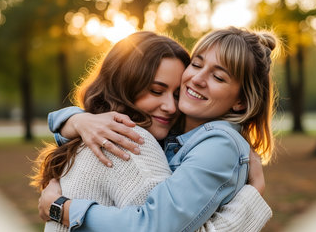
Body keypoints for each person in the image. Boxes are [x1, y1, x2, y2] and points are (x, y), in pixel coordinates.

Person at [39, 26, 277, 231]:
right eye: (196, 64)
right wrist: (76, 121)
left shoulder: (218, 144)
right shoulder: (129, 134)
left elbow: (154, 227)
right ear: (125, 87)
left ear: (241, 102)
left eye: (218, 77)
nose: (197, 79)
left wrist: (61, 209)